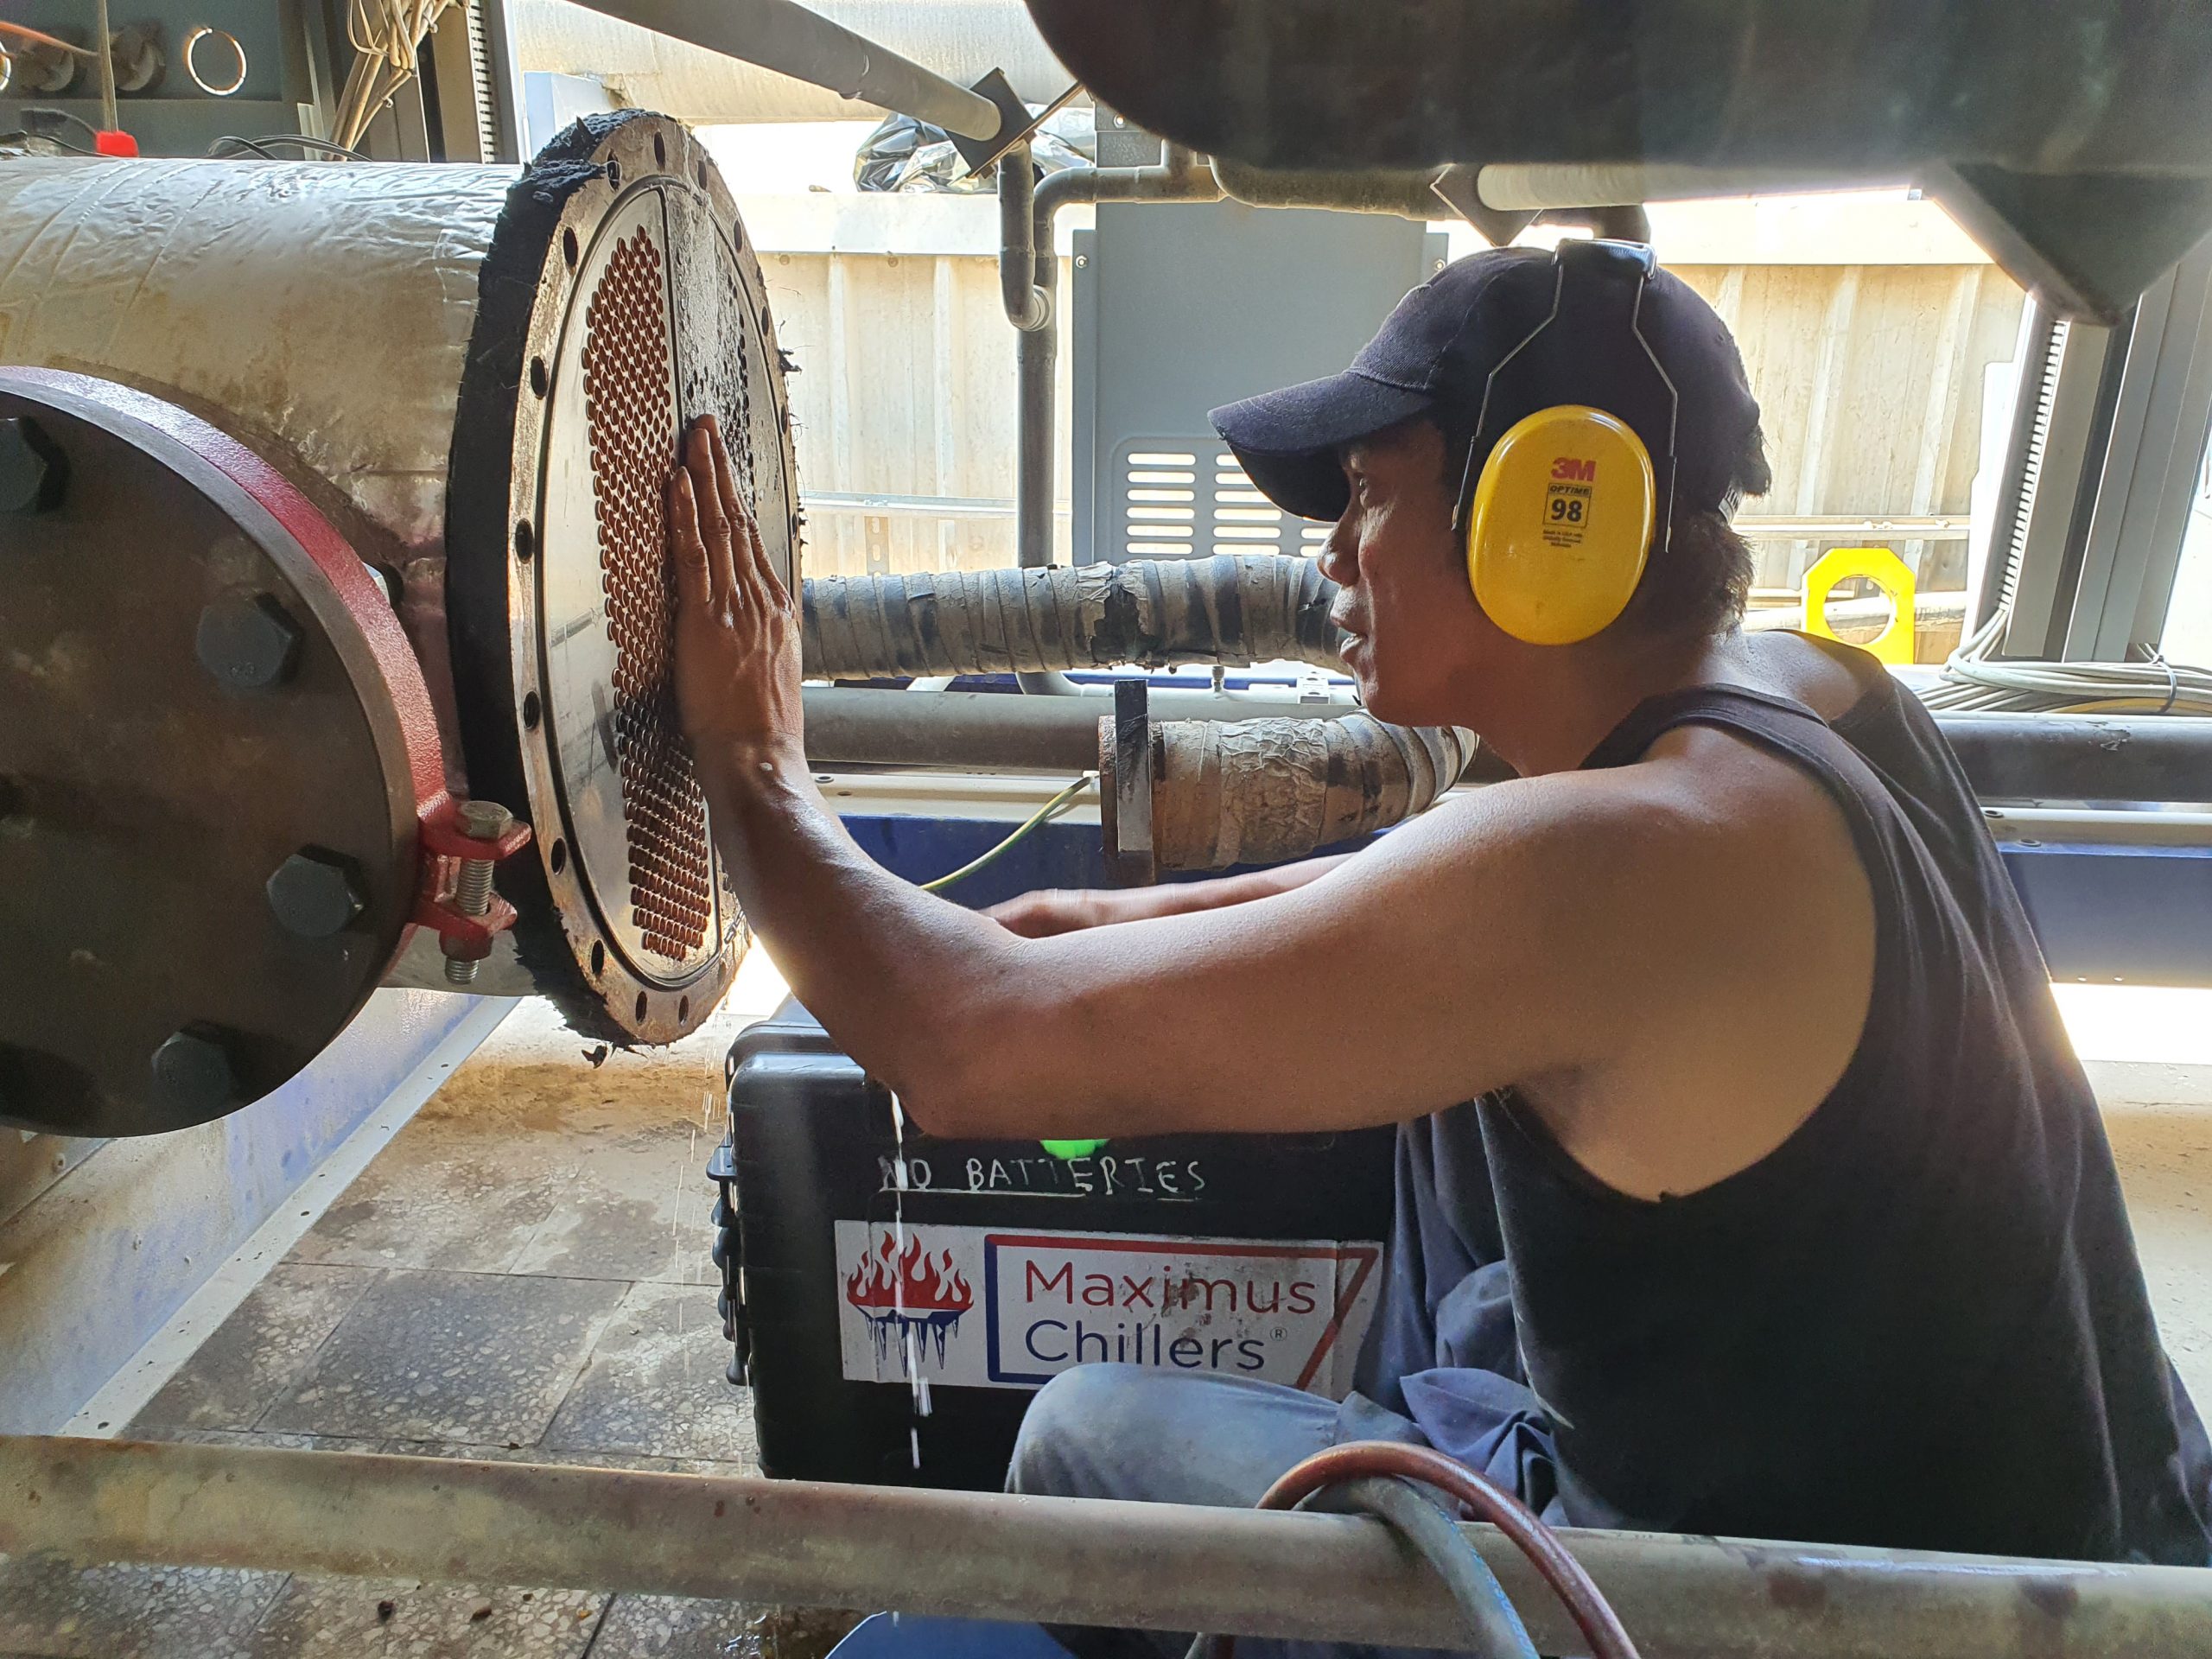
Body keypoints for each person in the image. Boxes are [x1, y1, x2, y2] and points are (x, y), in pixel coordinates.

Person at [665, 244, 2212, 1644]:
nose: (1334, 556)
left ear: (1554, 514)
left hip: (1756, 1611)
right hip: (2070, 1549)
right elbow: (1393, 900)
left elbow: (960, 1051)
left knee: (1083, 1429)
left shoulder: (1622, 869)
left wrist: (753, 762)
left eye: (1370, 494)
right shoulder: (1817, 694)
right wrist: (1080, 933)